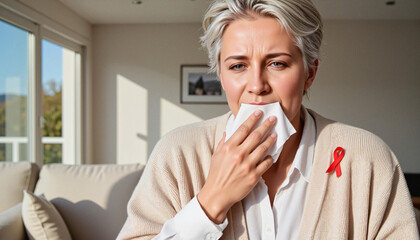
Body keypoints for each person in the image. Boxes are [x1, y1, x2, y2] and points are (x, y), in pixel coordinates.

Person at [117, 0, 419, 239]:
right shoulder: (177, 153)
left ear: (309, 73)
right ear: (221, 76)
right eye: (237, 66)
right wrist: (210, 203)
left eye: (277, 63)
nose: (257, 85)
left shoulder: (367, 158)